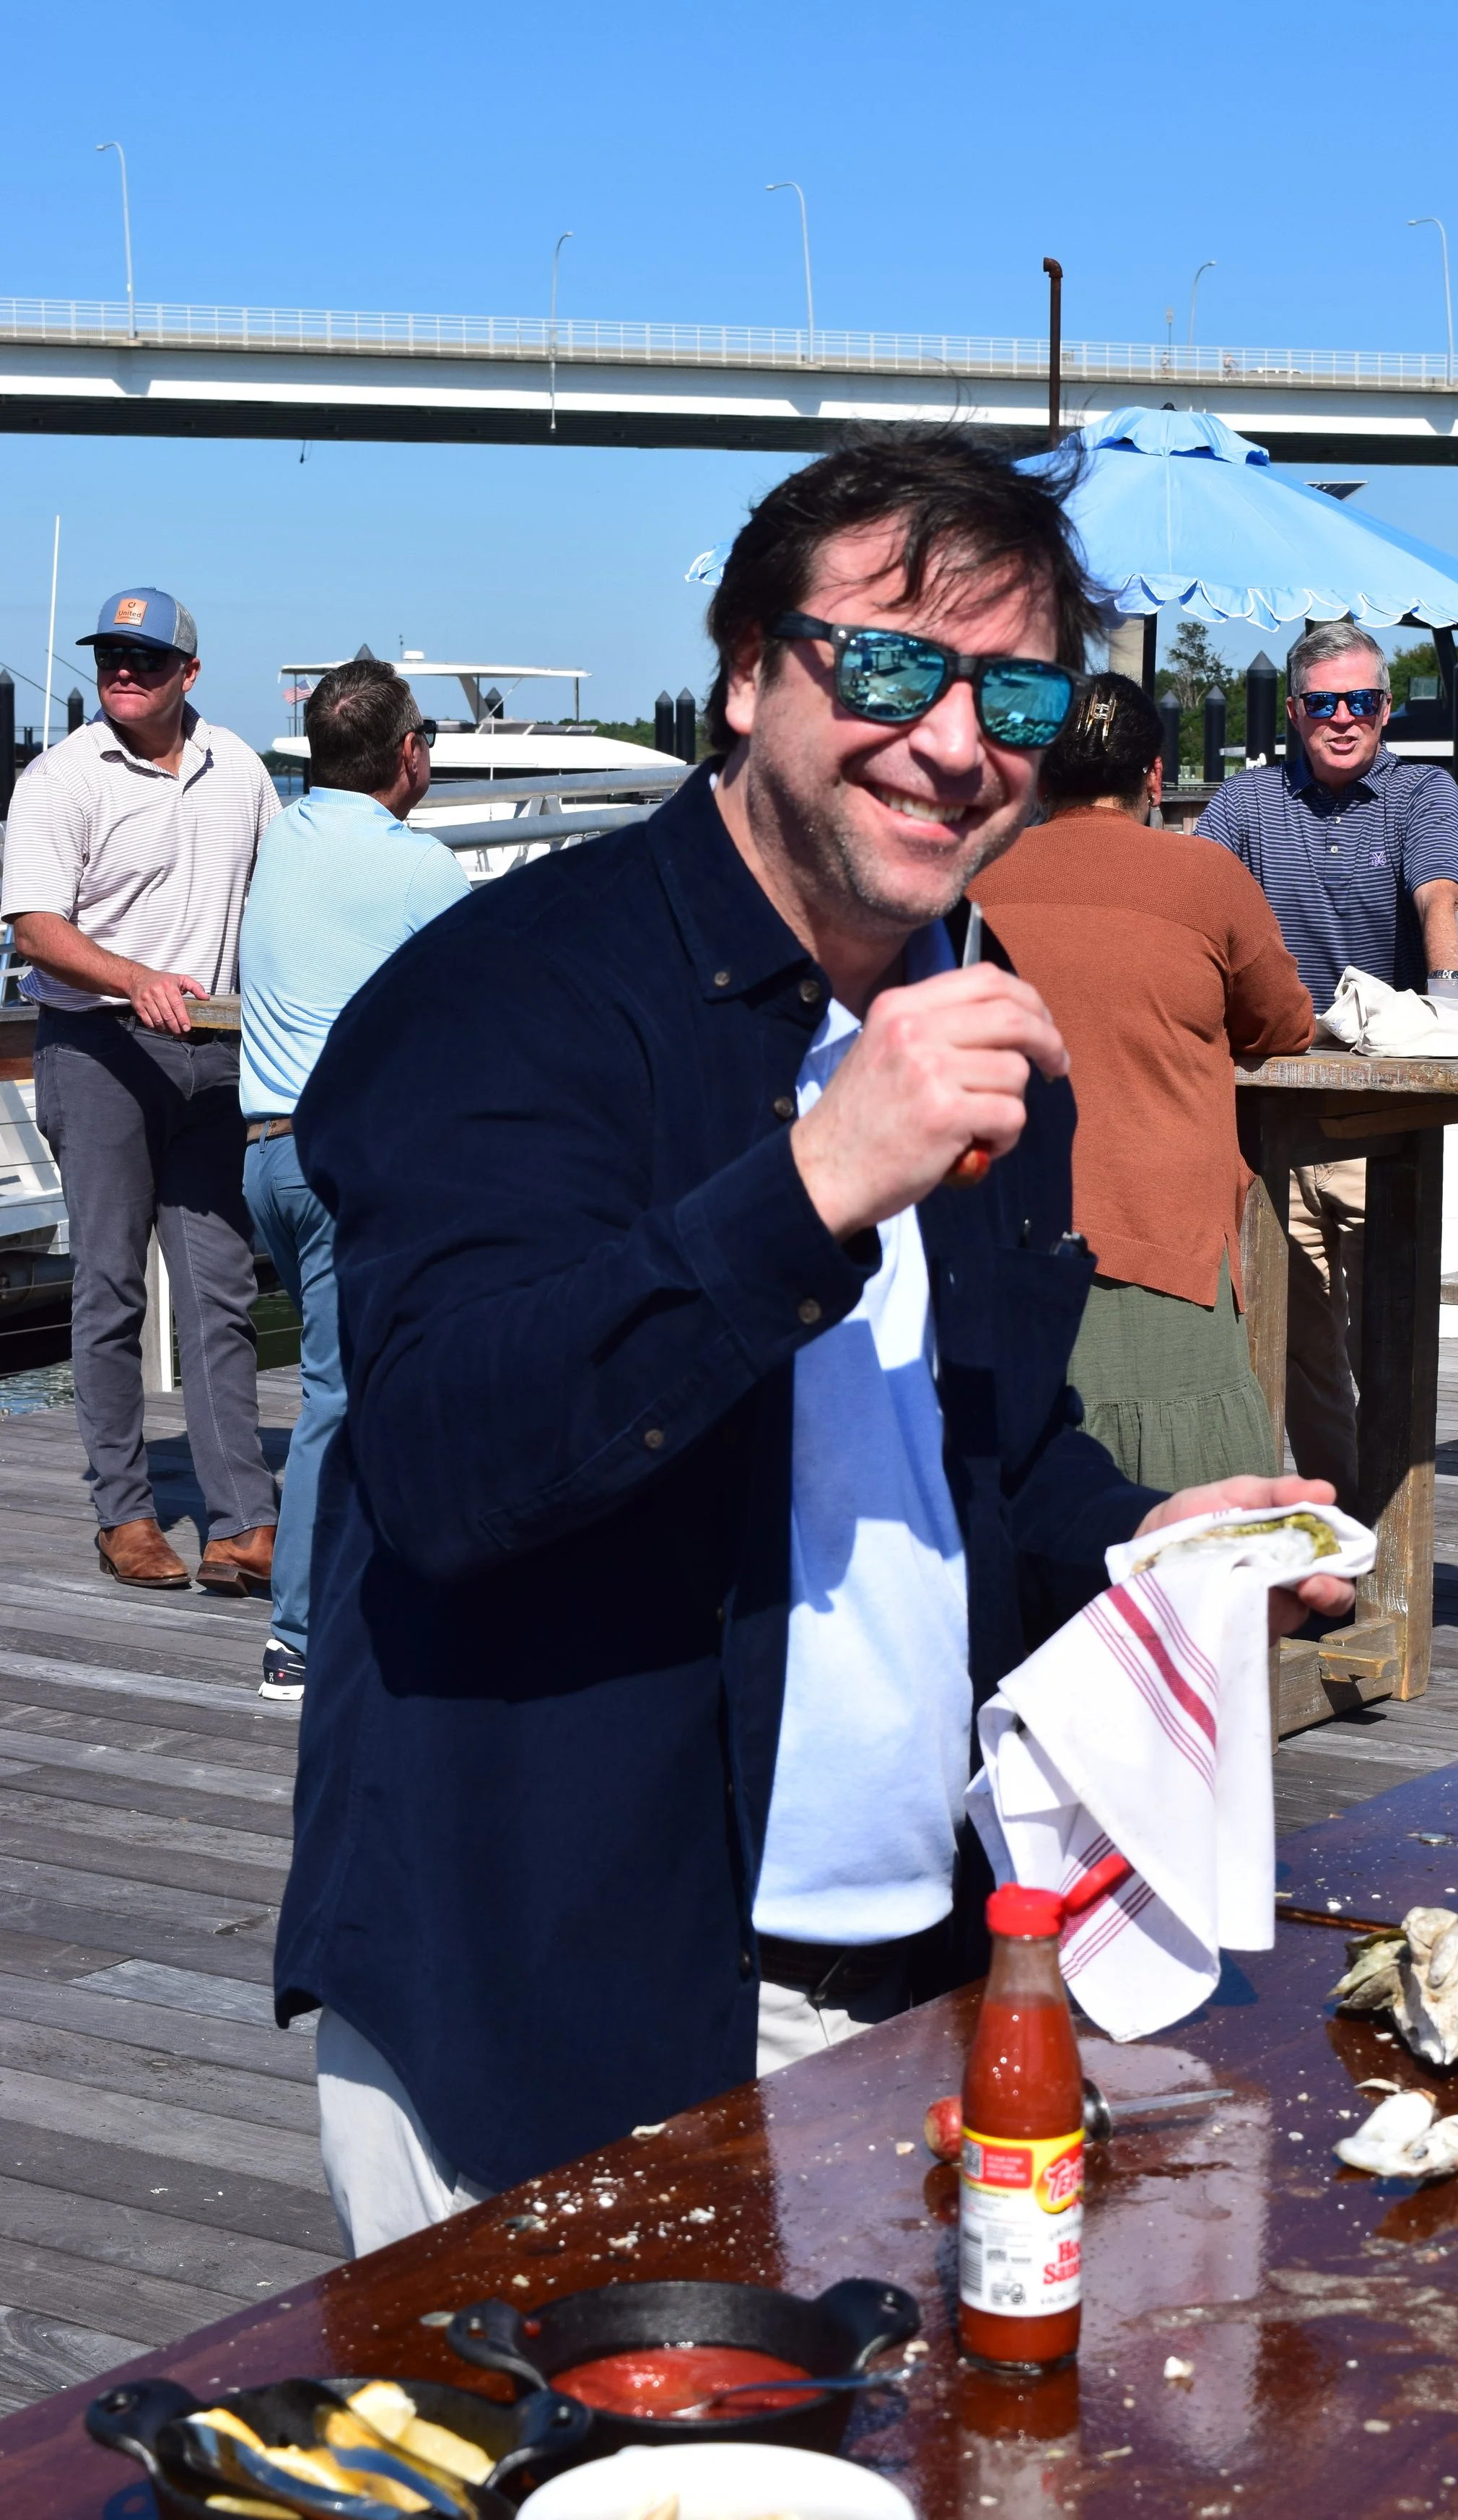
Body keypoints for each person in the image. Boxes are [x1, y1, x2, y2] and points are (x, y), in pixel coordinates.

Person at [272, 430, 1356, 2255]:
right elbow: (451, 1462)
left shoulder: (969, 1007)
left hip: (920, 1983)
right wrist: (817, 1177)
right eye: (883, 662)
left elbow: (982, 1455)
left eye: (1014, 685)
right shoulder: (499, 997)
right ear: (747, 669)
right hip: (558, 2014)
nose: (952, 735)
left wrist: (1135, 1547)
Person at [0, 588, 279, 1593]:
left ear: (188, 675)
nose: (124, 669)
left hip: (214, 1058)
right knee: (110, 1284)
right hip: (99, 1047)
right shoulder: (60, 778)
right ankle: (124, 1514)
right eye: (112, 654)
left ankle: (243, 1518)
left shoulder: (241, 769)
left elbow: (271, 908)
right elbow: (35, 930)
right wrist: (135, 980)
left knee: (218, 1288)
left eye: (146, 658)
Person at [974, 672, 1314, 1491]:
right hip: (1164, 1237)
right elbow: (1284, 1026)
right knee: (1186, 1523)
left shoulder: (975, 878)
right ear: (1154, 776)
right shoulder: (1205, 876)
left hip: (999, 1232)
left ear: (1037, 773)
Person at [237, 660, 469, 1702]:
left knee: (351, 1383)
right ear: (407, 753)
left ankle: (360, 1593)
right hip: (350, 1162)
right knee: (339, 1395)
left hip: (265, 1160)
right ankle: (298, 1637)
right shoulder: (420, 869)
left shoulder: (279, 836)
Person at [1199, 620, 1458, 1500]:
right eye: (1325, 703)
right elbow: (1194, 907)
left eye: (1363, 701)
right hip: (1267, 1113)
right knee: (1295, 1340)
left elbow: (1438, 897)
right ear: (1294, 711)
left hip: (1372, 1109)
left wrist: (1453, 1012)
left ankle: (1388, 1539)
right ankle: (1338, 1533)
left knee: (1383, 1335)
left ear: (1387, 710)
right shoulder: (1244, 804)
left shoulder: (1421, 791)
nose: (1345, 718)